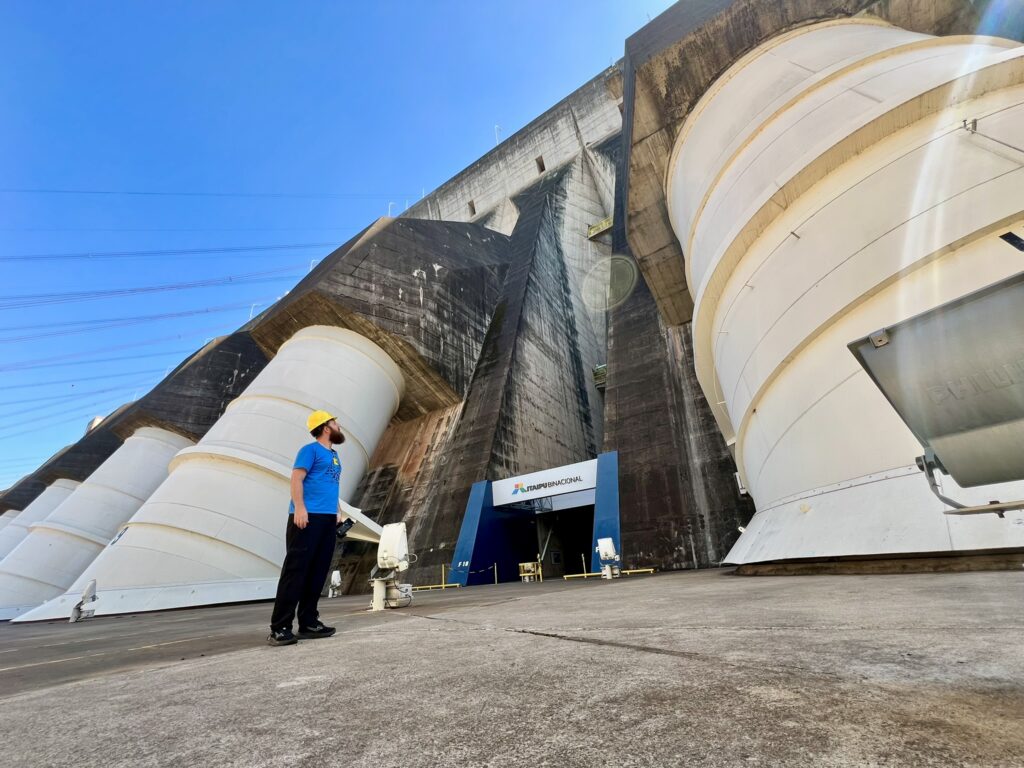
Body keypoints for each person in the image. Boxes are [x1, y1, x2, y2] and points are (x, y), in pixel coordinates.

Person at [267, 409, 346, 646]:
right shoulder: (309, 451)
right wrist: (300, 508)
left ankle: (309, 622)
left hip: (327, 519)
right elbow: (296, 479)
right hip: (306, 518)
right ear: (325, 427)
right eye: (335, 423)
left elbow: (330, 485)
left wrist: (338, 510)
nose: (339, 426)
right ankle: (279, 627)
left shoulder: (334, 455)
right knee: (296, 572)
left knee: (317, 572)